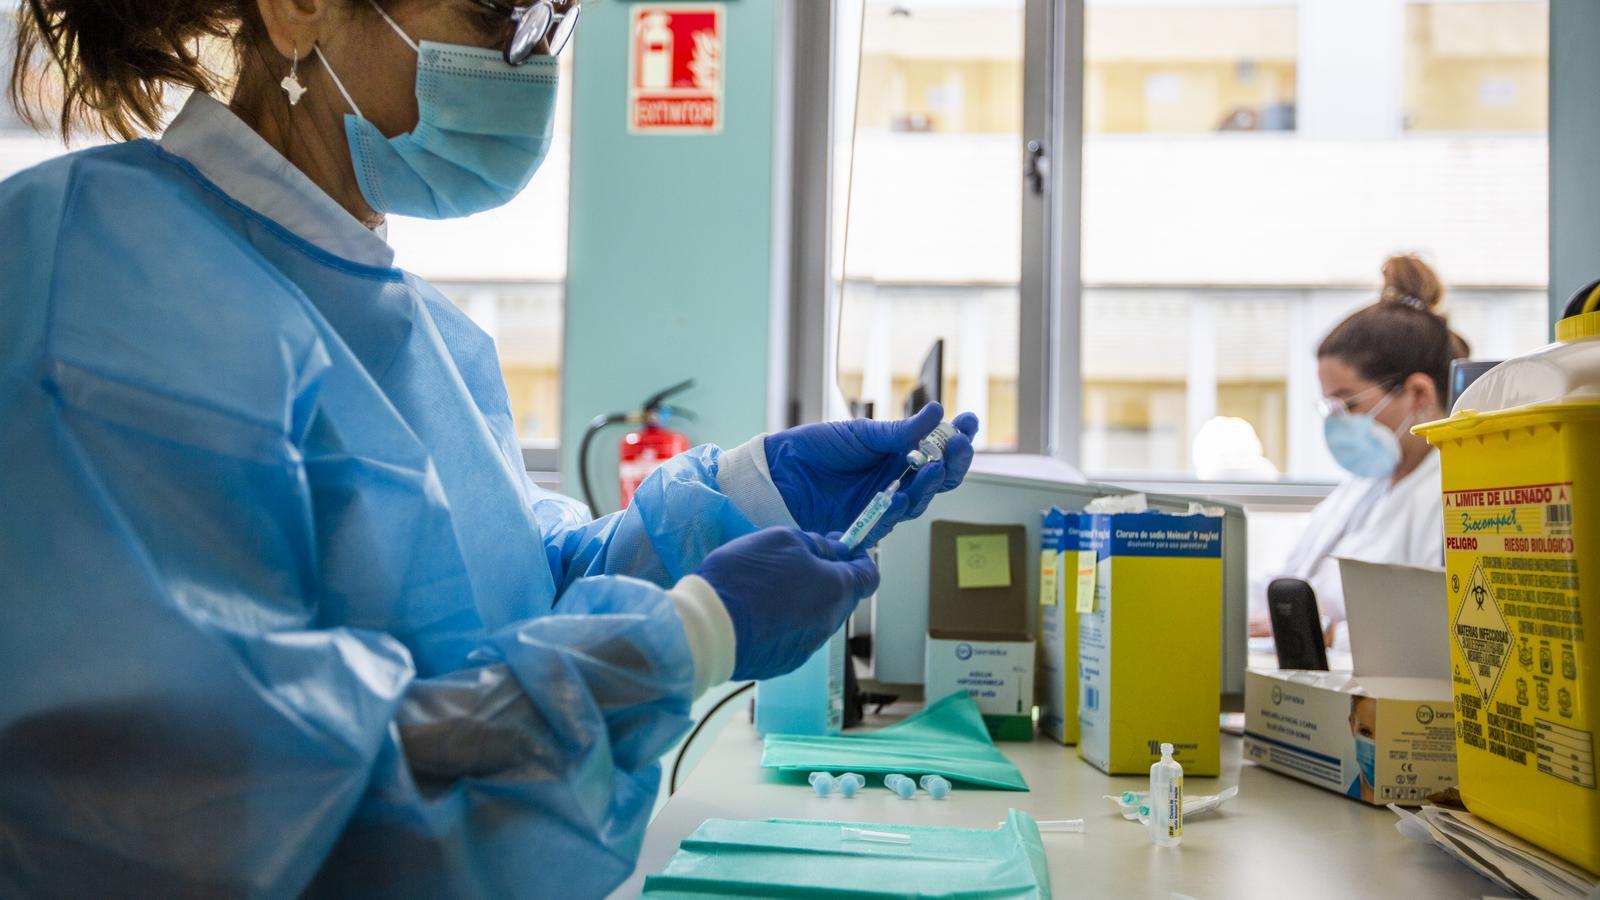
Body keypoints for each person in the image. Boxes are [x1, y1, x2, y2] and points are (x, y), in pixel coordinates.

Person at [0, 1, 979, 895]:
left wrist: (751, 494)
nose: (532, 66)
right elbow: (222, 793)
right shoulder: (104, 273)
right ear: (300, 9)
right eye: (496, 14)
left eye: (553, 24)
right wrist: (693, 634)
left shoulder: (421, 333)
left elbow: (512, 596)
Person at [1249, 255, 1468, 645]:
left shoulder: (1453, 497)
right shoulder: (1362, 488)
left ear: (1419, 393)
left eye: (1349, 404)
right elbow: (1289, 577)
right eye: (1331, 407)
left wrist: (1329, 634)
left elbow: (1435, 629)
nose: (1339, 421)